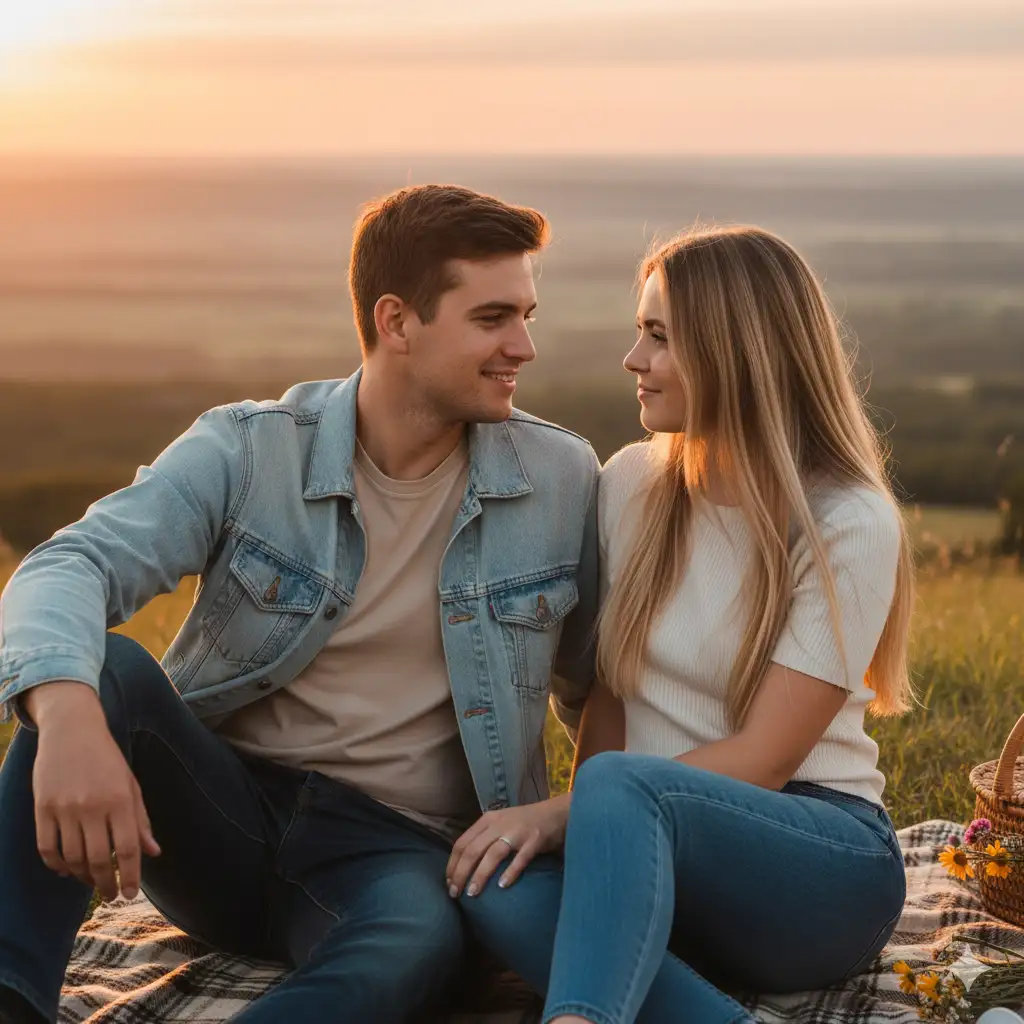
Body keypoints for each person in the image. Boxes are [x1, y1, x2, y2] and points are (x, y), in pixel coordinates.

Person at [0, 184, 599, 1024]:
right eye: (494, 317)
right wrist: (66, 720)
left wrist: (584, 829)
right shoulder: (249, 449)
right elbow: (70, 563)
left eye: (527, 314)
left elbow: (602, 687)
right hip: (221, 816)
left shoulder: (562, 481)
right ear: (396, 322)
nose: (524, 346)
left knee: (415, 949)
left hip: (397, 851)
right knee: (97, 672)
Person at [450, 225, 914, 1024]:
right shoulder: (630, 484)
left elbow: (766, 760)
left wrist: (577, 809)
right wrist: (586, 829)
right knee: (485, 880)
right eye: (641, 333)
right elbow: (613, 696)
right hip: (655, 848)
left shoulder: (847, 519)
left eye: (660, 337)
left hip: (816, 864)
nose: (634, 359)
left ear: (737, 352)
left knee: (611, 793)